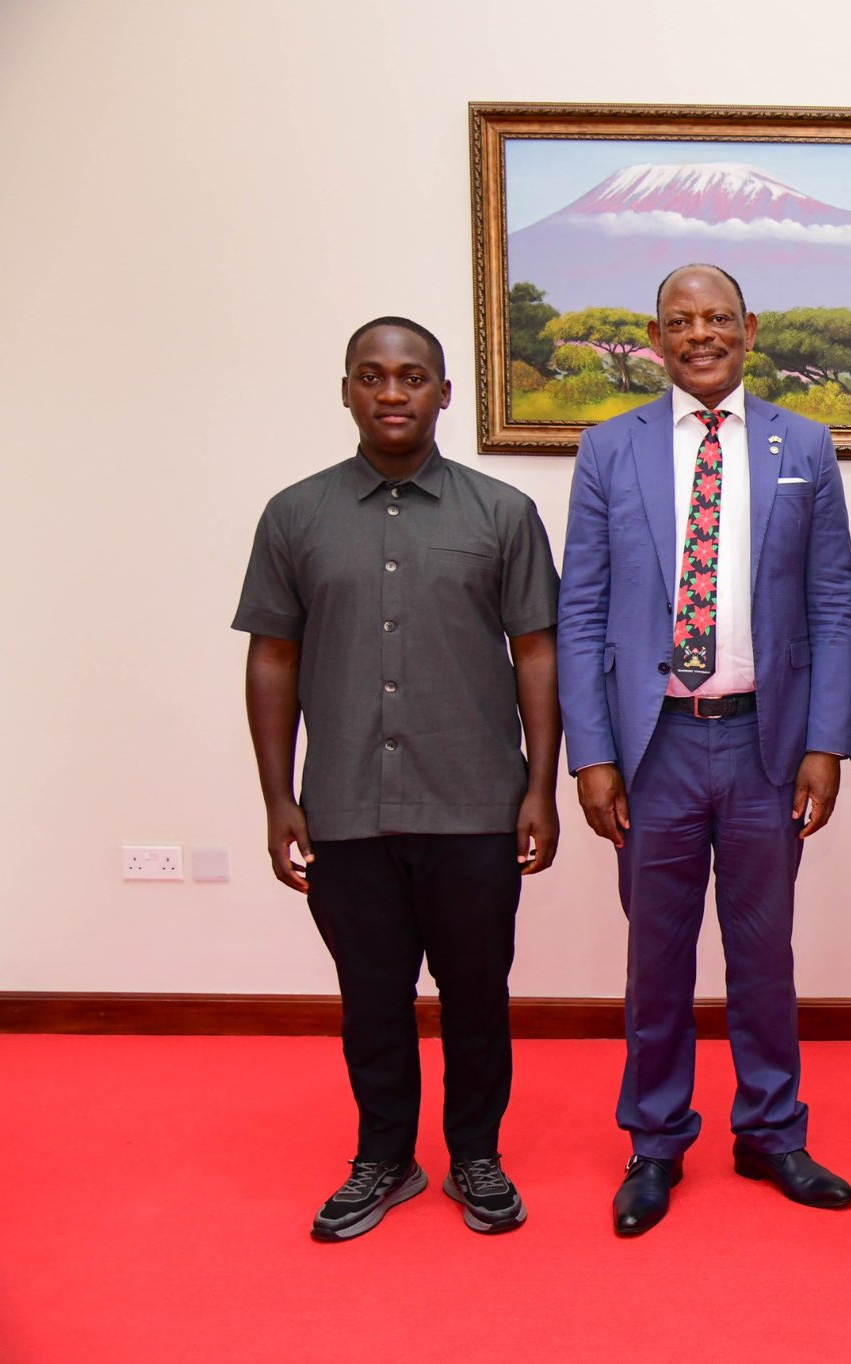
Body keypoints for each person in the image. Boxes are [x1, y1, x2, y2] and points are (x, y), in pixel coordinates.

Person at [233, 316, 561, 1241]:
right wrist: (277, 796)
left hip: (474, 803)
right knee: (371, 999)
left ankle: (475, 1156)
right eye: (371, 376)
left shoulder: (501, 514)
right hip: (342, 806)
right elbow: (272, 661)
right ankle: (384, 1158)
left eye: (412, 377)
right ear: (345, 390)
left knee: (476, 997)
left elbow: (537, 653)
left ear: (444, 394)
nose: (391, 393)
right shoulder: (294, 515)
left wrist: (539, 785)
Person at [558, 263, 851, 1237]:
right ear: (655, 333)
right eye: (681, 321)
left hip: (765, 740)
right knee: (656, 957)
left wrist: (826, 740)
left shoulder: (802, 445)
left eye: (718, 318)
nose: (701, 334)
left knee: (764, 952)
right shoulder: (608, 449)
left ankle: (771, 1129)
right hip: (653, 749)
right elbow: (582, 611)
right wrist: (590, 754)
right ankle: (654, 1139)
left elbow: (830, 604)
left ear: (749, 328)